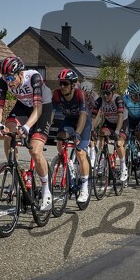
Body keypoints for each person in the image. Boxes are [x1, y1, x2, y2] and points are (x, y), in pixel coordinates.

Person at [0, 56, 53, 210]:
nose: (9, 81)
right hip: (23, 105)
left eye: (11, 77)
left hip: (42, 107)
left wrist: (26, 127)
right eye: (6, 78)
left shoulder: (34, 78)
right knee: (8, 131)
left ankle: (46, 189)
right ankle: (15, 173)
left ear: (20, 73)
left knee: (35, 150)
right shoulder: (4, 81)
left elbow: (38, 107)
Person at [52, 69, 93, 203]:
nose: (62, 87)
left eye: (65, 84)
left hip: (84, 123)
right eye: (60, 84)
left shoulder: (80, 94)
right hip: (69, 121)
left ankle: (85, 187)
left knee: (80, 152)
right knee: (59, 138)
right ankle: (67, 162)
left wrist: (78, 134)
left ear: (73, 84)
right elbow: (50, 114)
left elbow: (82, 115)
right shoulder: (57, 95)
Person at [92, 80, 127, 181]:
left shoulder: (118, 99)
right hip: (109, 122)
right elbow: (94, 117)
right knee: (101, 133)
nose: (105, 96)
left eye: (107, 93)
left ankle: (123, 167)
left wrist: (116, 132)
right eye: (103, 93)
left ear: (112, 93)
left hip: (122, 122)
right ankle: (103, 161)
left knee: (119, 144)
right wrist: (91, 129)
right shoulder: (99, 100)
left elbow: (120, 116)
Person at [123, 83, 140, 166]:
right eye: (135, 95)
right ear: (130, 94)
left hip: (139, 119)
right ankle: (126, 160)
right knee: (125, 139)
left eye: (139, 94)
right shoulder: (125, 98)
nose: (138, 96)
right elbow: (121, 112)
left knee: (139, 134)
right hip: (129, 119)